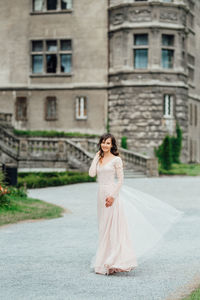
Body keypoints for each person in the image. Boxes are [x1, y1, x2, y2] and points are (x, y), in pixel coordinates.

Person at [88, 133, 184, 276]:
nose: (105, 145)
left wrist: (113, 196)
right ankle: (103, 261)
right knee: (103, 228)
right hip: (100, 195)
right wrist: (96, 157)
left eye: (108, 143)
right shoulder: (99, 158)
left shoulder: (116, 160)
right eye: (103, 142)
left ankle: (113, 261)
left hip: (111, 194)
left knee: (112, 229)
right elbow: (91, 174)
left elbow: (120, 181)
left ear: (112, 145)